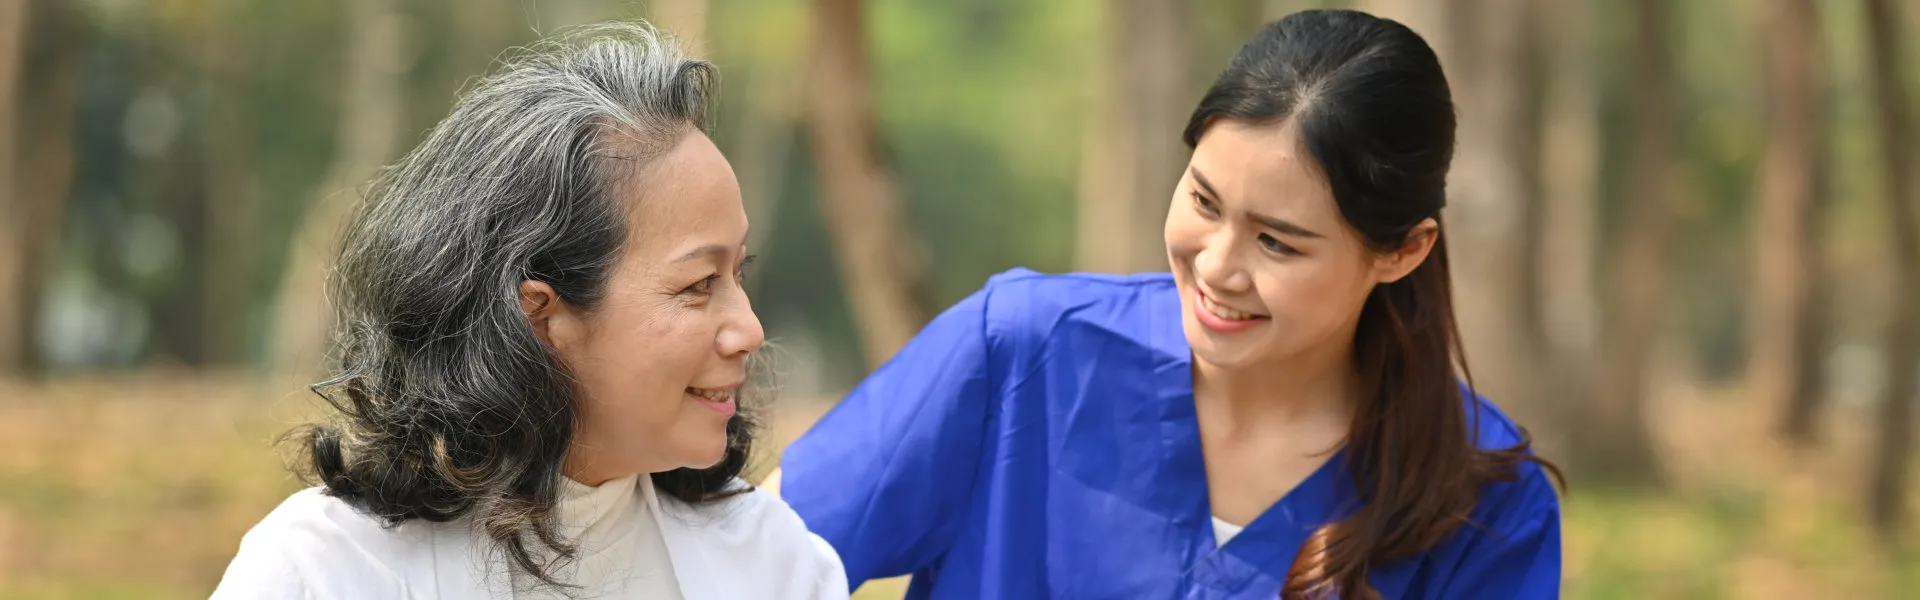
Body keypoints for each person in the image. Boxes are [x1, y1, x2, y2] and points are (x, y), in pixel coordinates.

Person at [772, 9, 1563, 600]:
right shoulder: (1021, 352)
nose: (1217, 267)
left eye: (1278, 242)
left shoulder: (1487, 508)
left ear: (1403, 251)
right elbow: (744, 563)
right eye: (1204, 200)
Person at [210, 22, 846, 600]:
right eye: (699, 284)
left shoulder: (776, 566)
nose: (750, 330)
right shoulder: (321, 575)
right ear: (540, 315)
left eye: (739, 273)